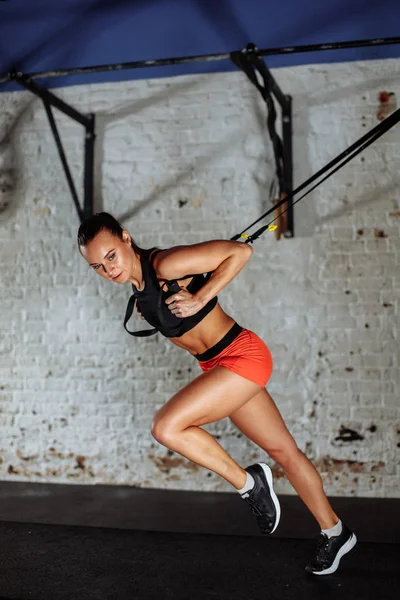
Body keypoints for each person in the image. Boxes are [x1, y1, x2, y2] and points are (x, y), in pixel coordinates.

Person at [77, 212, 357, 575]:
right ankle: (335, 532)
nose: (108, 269)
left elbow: (240, 253)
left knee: (166, 427)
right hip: (220, 366)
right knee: (283, 451)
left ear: (126, 239)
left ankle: (249, 483)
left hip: (242, 357)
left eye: (111, 256)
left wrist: (200, 297)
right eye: (97, 266)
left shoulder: (165, 264)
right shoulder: (141, 292)